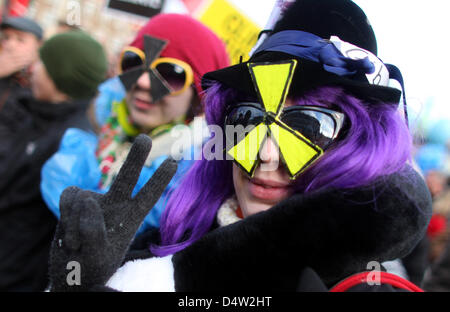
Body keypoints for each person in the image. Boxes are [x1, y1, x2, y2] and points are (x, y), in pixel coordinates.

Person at [47, 0, 432, 292]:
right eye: (248, 120)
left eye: (308, 127)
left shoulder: (366, 283)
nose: (265, 154)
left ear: (358, 146)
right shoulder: (171, 242)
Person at [40, 14, 230, 234]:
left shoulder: (190, 185)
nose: (142, 82)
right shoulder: (92, 129)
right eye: (133, 62)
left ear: (199, 100)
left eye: (170, 74)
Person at [0, 30, 108, 291]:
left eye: (43, 64)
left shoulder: (72, 144)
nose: (34, 69)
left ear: (59, 79)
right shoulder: (33, 111)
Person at [0, 16, 42, 111]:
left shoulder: (43, 82)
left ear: (38, 45)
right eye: (6, 37)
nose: (10, 45)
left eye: (20, 39)